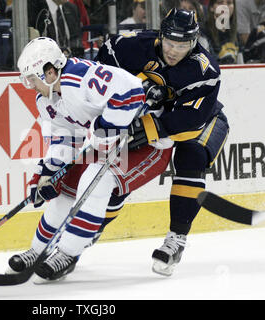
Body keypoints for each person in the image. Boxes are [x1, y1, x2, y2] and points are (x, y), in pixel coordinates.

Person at [6, 36, 173, 282]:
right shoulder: (47, 100)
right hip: (112, 143)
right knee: (62, 190)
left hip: (147, 143)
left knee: (96, 181)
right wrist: (45, 175)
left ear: (49, 72)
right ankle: (38, 250)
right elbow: (64, 139)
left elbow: (129, 93)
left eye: (32, 79)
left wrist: (104, 134)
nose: (29, 85)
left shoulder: (79, 79)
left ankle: (66, 253)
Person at [95, 8, 229, 276]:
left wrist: (150, 125)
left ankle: (176, 240)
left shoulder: (205, 70)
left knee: (190, 157)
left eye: (181, 45)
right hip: (153, 117)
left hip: (202, 122)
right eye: (169, 42)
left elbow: (191, 119)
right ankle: (88, 231)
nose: (173, 50)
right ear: (161, 36)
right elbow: (103, 64)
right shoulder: (129, 46)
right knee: (117, 168)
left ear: (193, 42)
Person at [204, 0, 239, 64]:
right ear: (211, 7)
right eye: (220, 2)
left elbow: (241, 63)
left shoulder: (236, 33)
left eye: (229, 3)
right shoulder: (203, 31)